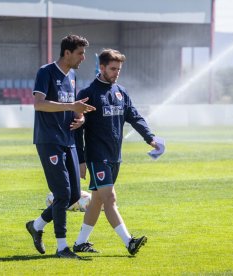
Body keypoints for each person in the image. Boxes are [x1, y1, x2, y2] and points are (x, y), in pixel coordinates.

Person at [73, 49, 159, 255]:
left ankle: (80, 243)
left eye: (118, 69)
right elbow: (77, 130)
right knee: (110, 199)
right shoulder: (87, 94)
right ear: (101, 67)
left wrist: (150, 138)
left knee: (97, 201)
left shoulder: (121, 92)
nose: (116, 73)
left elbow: (135, 117)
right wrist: (81, 160)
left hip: (115, 157)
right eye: (112, 69)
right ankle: (129, 242)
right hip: (97, 157)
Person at [26, 34, 96, 259]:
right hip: (49, 140)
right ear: (67, 53)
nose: (83, 58)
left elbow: (73, 107)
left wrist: (80, 116)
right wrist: (71, 105)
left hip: (68, 140)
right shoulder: (45, 72)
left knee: (74, 194)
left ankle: (36, 226)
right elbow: (39, 104)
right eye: (80, 53)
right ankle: (62, 247)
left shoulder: (72, 76)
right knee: (62, 193)